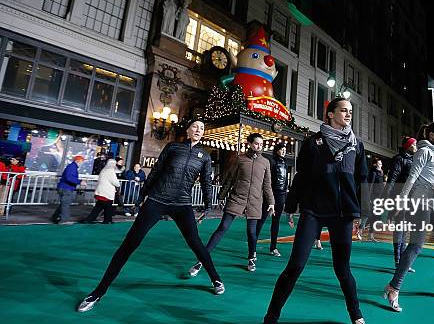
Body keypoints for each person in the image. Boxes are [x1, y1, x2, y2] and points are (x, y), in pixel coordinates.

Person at [76, 119, 224, 312]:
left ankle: (215, 278)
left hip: (182, 204)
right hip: (158, 200)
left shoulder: (204, 156)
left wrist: (208, 205)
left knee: (195, 243)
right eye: (195, 126)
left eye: (202, 128)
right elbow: (156, 171)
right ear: (187, 130)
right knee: (130, 243)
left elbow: (206, 181)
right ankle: (98, 292)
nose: (198, 129)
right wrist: (142, 195)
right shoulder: (173, 147)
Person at [255, 98, 369, 324]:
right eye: (343, 110)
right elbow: (302, 177)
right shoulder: (312, 144)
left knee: (343, 270)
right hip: (314, 212)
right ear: (329, 114)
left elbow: (362, 181)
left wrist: (362, 213)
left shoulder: (357, 146)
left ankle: (357, 316)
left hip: (342, 215)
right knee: (294, 267)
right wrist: (291, 206)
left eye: (350, 111)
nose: (348, 114)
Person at [383, 122, 434, 314]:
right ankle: (393, 288)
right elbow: (412, 177)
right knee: (416, 245)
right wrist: (401, 200)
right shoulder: (423, 151)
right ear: (431, 134)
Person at [189, 133, 274, 275]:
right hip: (236, 198)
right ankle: (202, 259)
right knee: (222, 227)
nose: (259, 146)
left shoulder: (265, 162)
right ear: (250, 144)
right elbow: (230, 179)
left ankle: (252, 256)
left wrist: (271, 202)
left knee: (252, 232)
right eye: (256, 143)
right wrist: (221, 196)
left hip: (255, 201)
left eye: (261, 144)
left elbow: (267, 185)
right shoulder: (240, 159)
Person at [385, 136, 417, 269]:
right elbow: (393, 177)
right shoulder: (399, 159)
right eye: (414, 145)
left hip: (411, 199)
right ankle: (398, 260)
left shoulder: (414, 160)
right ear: (408, 146)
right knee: (400, 229)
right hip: (400, 197)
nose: (416, 147)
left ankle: (402, 261)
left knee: (405, 230)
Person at [257, 142, 292, 257]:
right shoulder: (271, 161)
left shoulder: (285, 163)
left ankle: (273, 247)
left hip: (281, 195)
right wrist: (267, 194)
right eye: (281, 149)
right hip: (271, 194)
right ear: (277, 150)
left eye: (285, 150)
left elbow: (285, 180)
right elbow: (266, 180)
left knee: (276, 222)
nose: (283, 151)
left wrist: (286, 195)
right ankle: (253, 246)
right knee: (261, 219)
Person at [82, 159, 121, 224]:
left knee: (100, 206)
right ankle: (107, 220)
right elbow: (115, 182)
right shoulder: (110, 171)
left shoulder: (103, 170)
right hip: (107, 192)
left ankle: (91, 219)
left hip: (101, 191)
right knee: (107, 207)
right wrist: (118, 184)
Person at [51, 156, 86, 224]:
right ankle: (64, 220)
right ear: (78, 161)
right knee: (65, 204)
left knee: (64, 204)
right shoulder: (72, 167)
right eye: (82, 161)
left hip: (65, 187)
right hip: (66, 188)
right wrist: (80, 181)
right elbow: (69, 177)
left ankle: (55, 217)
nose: (82, 163)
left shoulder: (72, 166)